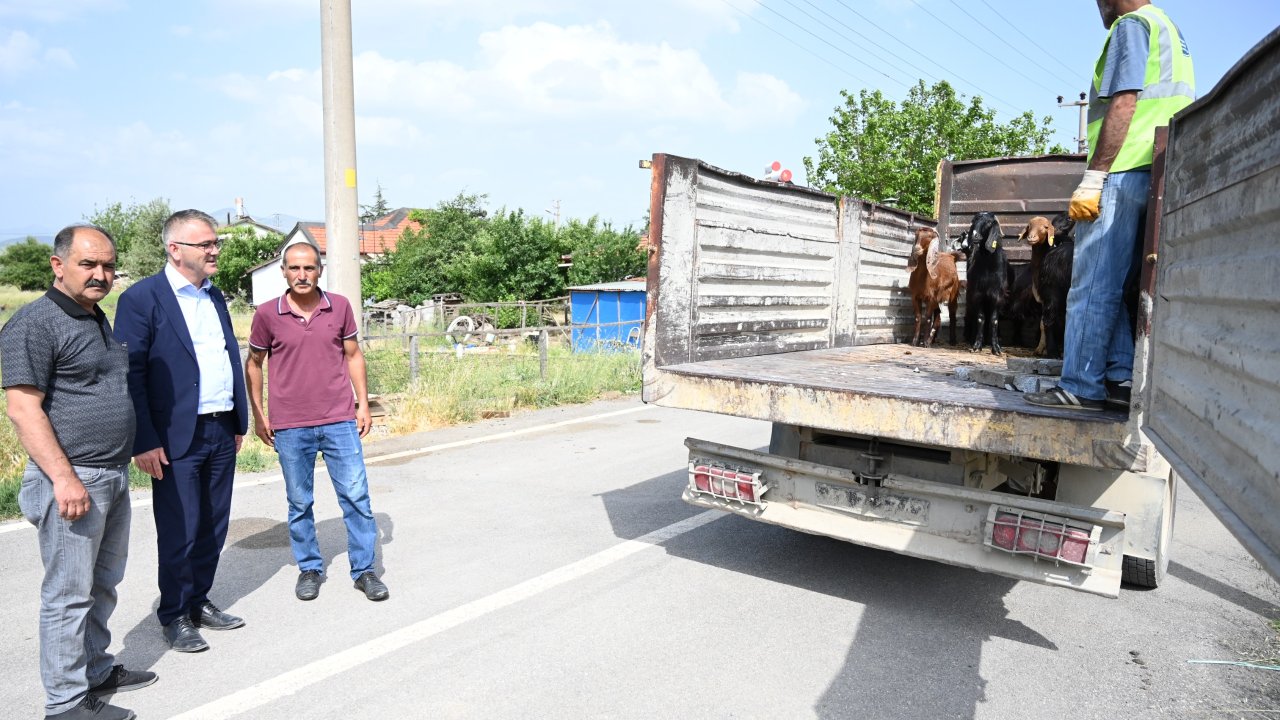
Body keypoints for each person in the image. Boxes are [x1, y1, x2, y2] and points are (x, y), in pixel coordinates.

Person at [1, 225, 156, 720]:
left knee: (103, 583)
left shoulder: (95, 317)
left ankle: (95, 669)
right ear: (58, 265)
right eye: (89, 264)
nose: (101, 275)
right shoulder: (35, 323)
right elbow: (24, 409)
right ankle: (66, 704)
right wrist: (64, 479)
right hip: (73, 480)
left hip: (110, 474)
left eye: (108, 266)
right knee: (68, 596)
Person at [1026, 0, 1194, 411]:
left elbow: (1123, 103)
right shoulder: (1168, 29)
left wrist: (1095, 175)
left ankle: (1080, 385)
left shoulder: (1130, 27)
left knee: (1091, 283)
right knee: (1115, 284)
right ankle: (1119, 376)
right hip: (1152, 171)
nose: (1097, 6)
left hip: (1121, 171)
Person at [114, 210, 250, 653]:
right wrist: (144, 439)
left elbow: (226, 357)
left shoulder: (215, 296)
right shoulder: (142, 299)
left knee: (213, 524)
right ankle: (173, 613)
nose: (214, 250)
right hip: (173, 438)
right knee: (181, 528)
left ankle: (199, 601)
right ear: (175, 250)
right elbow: (130, 374)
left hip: (220, 426)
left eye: (215, 243)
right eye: (205, 244)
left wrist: (236, 419)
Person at [245, 240, 390, 602]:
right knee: (299, 502)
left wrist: (363, 405)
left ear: (319, 270)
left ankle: (364, 570)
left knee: (356, 497)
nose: (302, 274)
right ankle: (309, 567)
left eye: (309, 268)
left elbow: (354, 356)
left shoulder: (339, 307)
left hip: (339, 420)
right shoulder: (266, 314)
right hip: (290, 425)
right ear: (283, 272)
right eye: (294, 268)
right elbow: (254, 364)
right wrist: (259, 414)